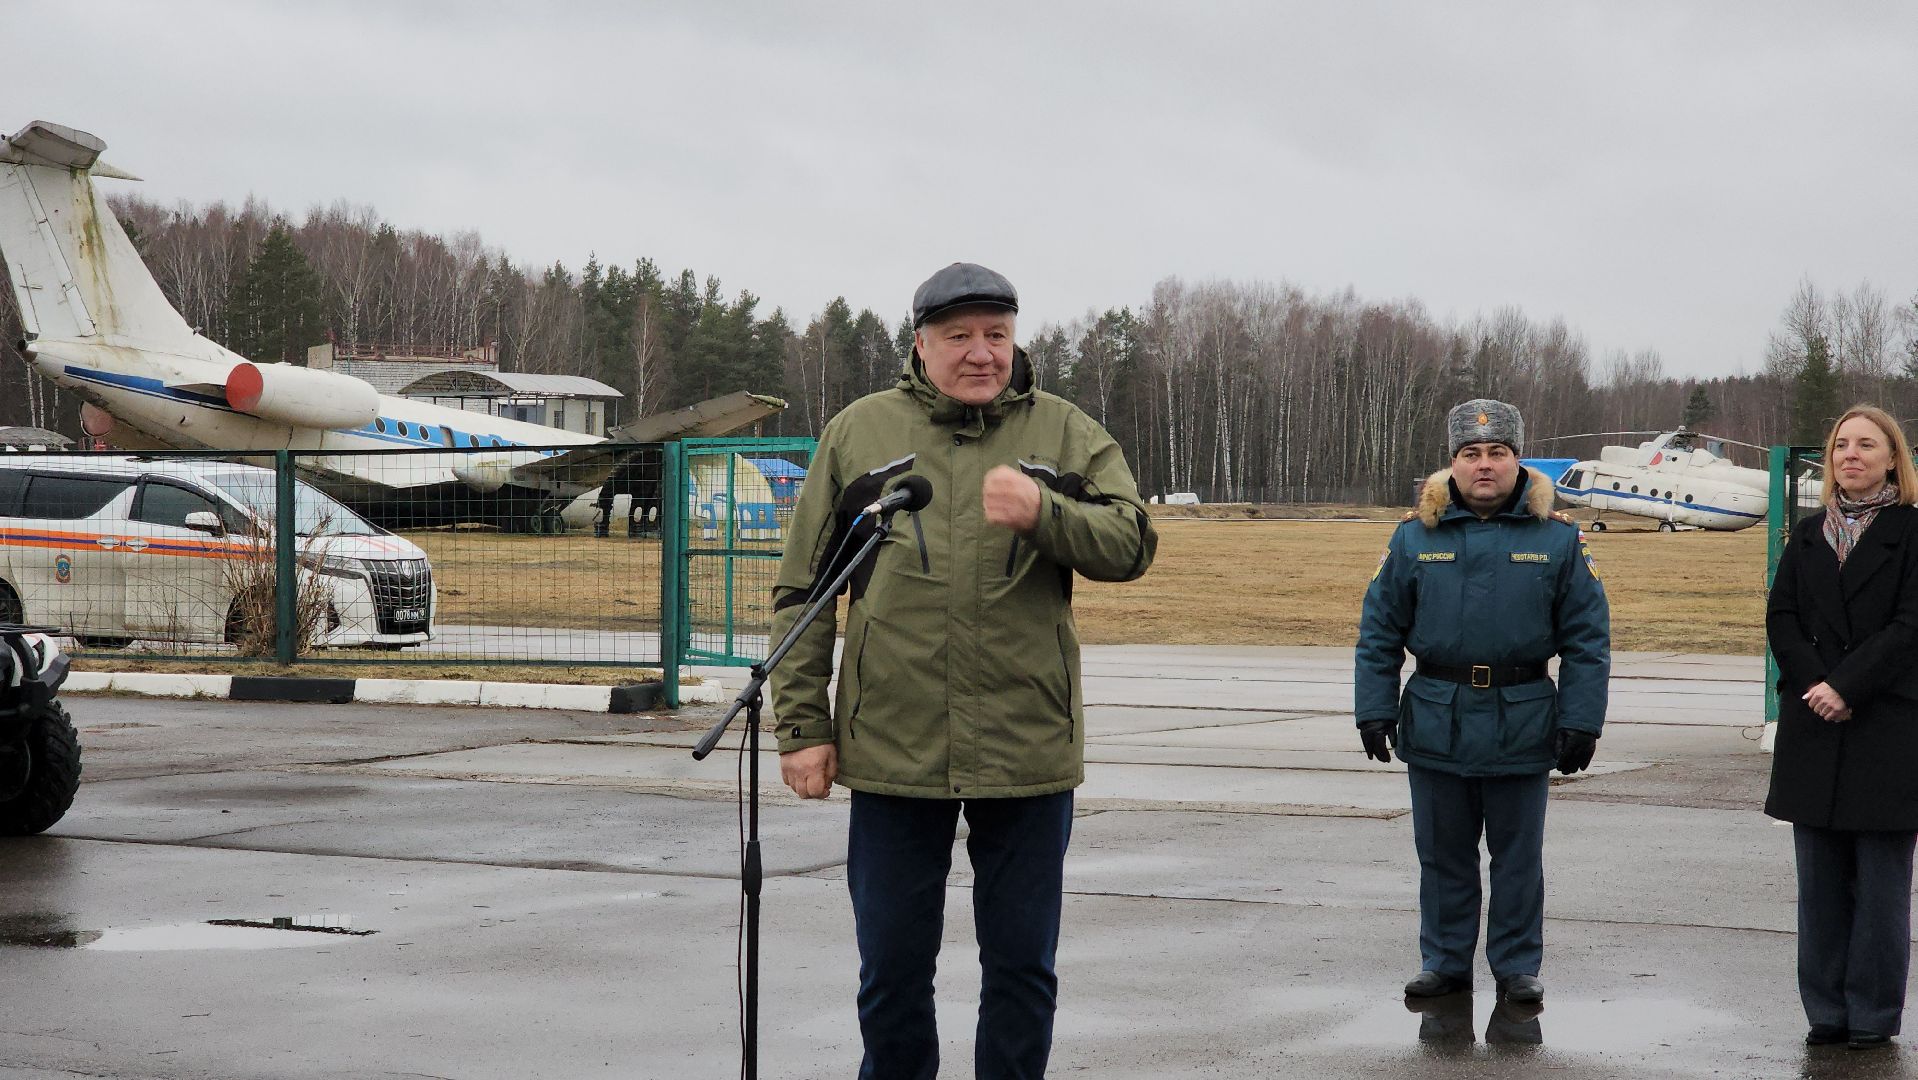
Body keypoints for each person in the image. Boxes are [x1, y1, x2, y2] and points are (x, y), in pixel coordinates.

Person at [769, 262, 1157, 1079]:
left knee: (1021, 970)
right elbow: (804, 592)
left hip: (1027, 751)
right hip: (892, 752)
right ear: (920, 344)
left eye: (997, 335)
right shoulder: (859, 435)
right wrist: (802, 728)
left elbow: (1131, 545)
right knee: (893, 974)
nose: (982, 354)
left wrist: (1045, 513)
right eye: (960, 337)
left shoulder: (1066, 435)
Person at [1355, 398, 1610, 1005]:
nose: (1485, 465)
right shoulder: (1415, 538)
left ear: (1518, 461)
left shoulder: (1558, 540)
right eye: (1471, 454)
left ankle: (1517, 965)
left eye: (1498, 453)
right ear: (1453, 463)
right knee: (1442, 855)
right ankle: (1444, 961)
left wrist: (1581, 721)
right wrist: (1374, 709)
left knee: (1518, 858)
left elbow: (1587, 639)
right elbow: (1379, 631)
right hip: (1436, 716)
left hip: (1522, 716)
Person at [1764, 404, 1918, 1051]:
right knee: (1820, 888)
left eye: (1866, 445)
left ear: (1892, 459)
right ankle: (1825, 1009)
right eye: (1840, 446)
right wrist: (1815, 687)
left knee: (1882, 892)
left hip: (1885, 729)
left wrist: (1846, 686)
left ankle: (1872, 1015)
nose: (1850, 455)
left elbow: (1911, 626)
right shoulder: (1806, 535)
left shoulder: (1912, 532)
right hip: (1814, 729)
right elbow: (1784, 619)